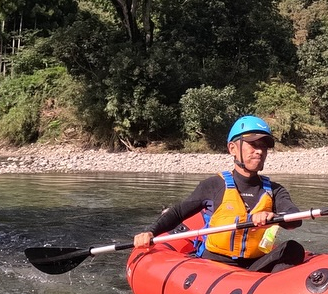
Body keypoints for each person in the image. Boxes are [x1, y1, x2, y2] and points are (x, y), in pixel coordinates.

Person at [131, 115, 307, 272]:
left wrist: (273, 215)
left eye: (264, 146)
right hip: (216, 266)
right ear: (232, 148)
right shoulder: (214, 185)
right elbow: (178, 213)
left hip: (255, 264)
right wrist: (150, 232)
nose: (259, 151)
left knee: (293, 249)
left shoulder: (275, 190)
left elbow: (295, 219)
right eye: (253, 144)